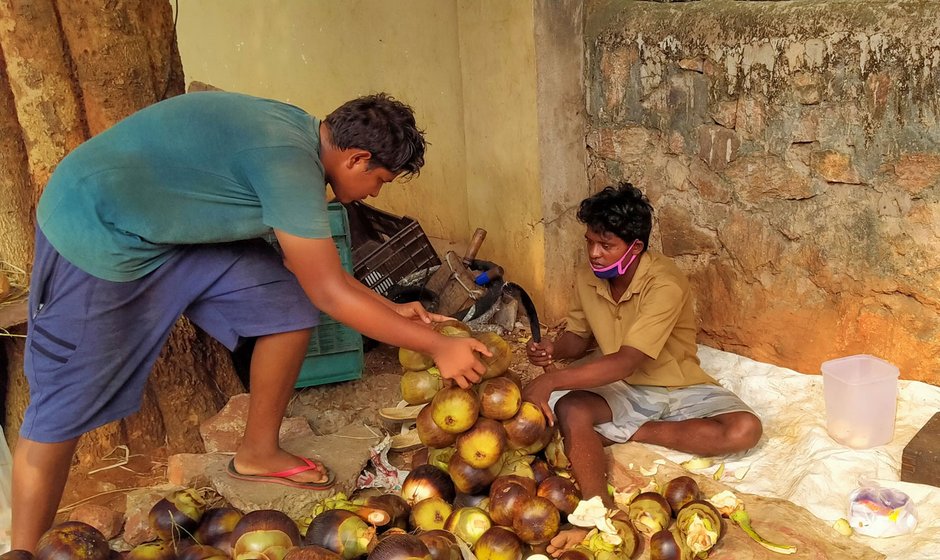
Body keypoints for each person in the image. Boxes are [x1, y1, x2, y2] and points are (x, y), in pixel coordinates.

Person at [12, 91, 490, 552]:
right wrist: (437, 345)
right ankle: (24, 550)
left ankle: (258, 453)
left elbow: (316, 274)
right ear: (357, 158)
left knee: (287, 304)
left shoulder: (302, 138)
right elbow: (329, 291)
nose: (375, 191)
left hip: (165, 228)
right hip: (100, 229)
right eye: (381, 180)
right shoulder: (289, 166)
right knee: (63, 401)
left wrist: (391, 310)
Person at [523, 182, 762, 556]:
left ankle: (631, 432)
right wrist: (552, 349)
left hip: (679, 385)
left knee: (746, 429)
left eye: (606, 246)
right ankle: (596, 508)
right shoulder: (587, 277)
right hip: (624, 388)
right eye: (589, 242)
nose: (595, 254)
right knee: (571, 407)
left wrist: (550, 380)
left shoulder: (664, 282)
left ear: (634, 248)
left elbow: (626, 360)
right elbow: (578, 339)